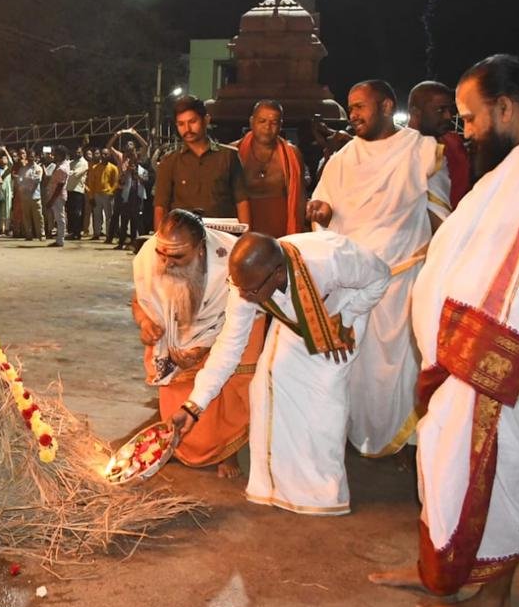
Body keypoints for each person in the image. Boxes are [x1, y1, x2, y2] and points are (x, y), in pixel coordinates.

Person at [370, 54, 519, 607]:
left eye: (471, 117)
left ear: (505, 108)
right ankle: (438, 571)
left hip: (506, 363)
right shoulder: (518, 163)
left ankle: (493, 602)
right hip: (458, 353)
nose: (467, 130)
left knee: (499, 479)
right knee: (442, 462)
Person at [171, 231, 390, 514]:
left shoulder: (329, 256)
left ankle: (322, 495)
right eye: (241, 289)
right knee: (265, 390)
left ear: (277, 274)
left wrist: (345, 319)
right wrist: (193, 406)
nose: (245, 296)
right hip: (294, 324)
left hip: (342, 319)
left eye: (251, 291)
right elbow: (229, 347)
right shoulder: (246, 284)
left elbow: (381, 276)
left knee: (324, 405)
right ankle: (273, 488)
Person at [308, 80, 452, 459]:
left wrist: (446, 269)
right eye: (349, 106)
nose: (352, 113)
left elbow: (440, 215)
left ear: (387, 105)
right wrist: (321, 212)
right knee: (352, 365)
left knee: (400, 365)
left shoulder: (420, 150)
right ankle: (350, 430)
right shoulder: (341, 159)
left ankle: (408, 442)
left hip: (401, 280)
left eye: (360, 106)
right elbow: (323, 205)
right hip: (353, 282)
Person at [132, 209, 259, 477]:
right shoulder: (148, 256)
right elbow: (140, 301)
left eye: (178, 256)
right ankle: (174, 445)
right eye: (162, 254)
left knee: (231, 380)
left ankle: (227, 451)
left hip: (233, 331)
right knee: (177, 387)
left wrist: (204, 348)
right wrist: (146, 323)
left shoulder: (231, 264)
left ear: (201, 249)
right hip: (178, 337)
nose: (167, 263)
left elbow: (237, 325)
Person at [155, 96, 251, 227]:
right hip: (183, 235)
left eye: (192, 121)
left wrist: (244, 237)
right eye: (181, 124)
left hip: (223, 234)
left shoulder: (229, 156)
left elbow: (242, 202)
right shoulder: (169, 161)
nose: (187, 129)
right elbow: (161, 207)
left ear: (206, 120)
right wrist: (161, 241)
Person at [235, 100, 307, 236]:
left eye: (274, 123)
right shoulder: (234, 151)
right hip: (244, 226)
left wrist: (297, 234)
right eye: (262, 121)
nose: (267, 127)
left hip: (281, 227)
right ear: (251, 122)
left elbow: (300, 198)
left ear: (281, 125)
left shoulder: (291, 154)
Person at [408, 80, 472, 208]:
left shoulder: (454, 143)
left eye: (450, 110)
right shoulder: (397, 150)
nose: (448, 116)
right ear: (416, 112)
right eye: (440, 110)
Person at [112, 156, 147, 251]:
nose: (131, 166)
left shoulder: (142, 171)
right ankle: (121, 243)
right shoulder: (126, 172)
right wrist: (125, 174)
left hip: (137, 201)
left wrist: (137, 175)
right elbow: (120, 182)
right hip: (127, 201)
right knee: (123, 223)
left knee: (134, 224)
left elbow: (145, 181)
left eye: (133, 165)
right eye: (130, 165)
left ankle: (133, 243)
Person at [87, 147, 119, 241]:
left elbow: (116, 182)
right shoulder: (95, 168)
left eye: (106, 154)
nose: (103, 156)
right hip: (97, 194)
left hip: (108, 195)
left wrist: (111, 192)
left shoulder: (113, 168)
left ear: (109, 156)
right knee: (97, 215)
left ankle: (109, 234)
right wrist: (91, 196)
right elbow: (91, 183)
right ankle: (96, 234)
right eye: (102, 154)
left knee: (109, 216)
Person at [15, 148, 44, 241]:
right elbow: (19, 181)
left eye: (32, 156)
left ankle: (41, 235)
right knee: (26, 217)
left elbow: (37, 180)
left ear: (35, 157)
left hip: (35, 196)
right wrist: (26, 181)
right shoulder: (23, 169)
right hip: (25, 196)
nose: (31, 158)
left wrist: (26, 180)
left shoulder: (38, 168)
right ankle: (28, 235)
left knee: (38, 217)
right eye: (29, 156)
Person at [42, 145, 69, 247]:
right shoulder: (63, 164)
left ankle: (60, 240)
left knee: (60, 218)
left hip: (57, 195)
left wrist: (51, 200)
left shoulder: (62, 168)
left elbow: (60, 186)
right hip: (55, 194)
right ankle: (59, 238)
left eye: (56, 154)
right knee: (59, 217)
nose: (54, 156)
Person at [65, 146, 88, 239]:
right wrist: (70, 173)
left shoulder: (84, 163)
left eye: (79, 152)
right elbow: (68, 173)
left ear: (82, 152)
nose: (77, 154)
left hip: (78, 190)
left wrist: (69, 173)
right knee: (70, 212)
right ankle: (72, 232)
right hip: (70, 189)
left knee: (77, 213)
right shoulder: (71, 162)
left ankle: (77, 232)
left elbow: (75, 174)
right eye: (76, 152)